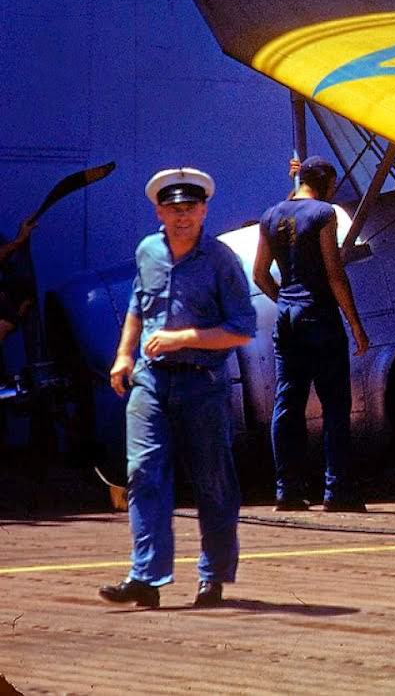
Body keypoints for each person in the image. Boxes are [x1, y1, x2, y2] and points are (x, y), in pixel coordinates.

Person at [99, 169, 255, 609]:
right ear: (158, 211)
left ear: (204, 211)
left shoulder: (222, 261)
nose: (181, 217)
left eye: (189, 209)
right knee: (144, 473)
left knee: (213, 481)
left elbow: (240, 330)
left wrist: (184, 337)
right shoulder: (148, 251)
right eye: (173, 209)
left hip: (202, 385)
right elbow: (137, 304)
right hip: (151, 381)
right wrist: (124, 355)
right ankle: (145, 578)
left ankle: (213, 577)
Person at [252, 155, 371, 513]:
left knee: (287, 404)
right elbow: (334, 273)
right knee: (335, 405)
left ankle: (287, 489)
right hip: (320, 317)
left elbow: (260, 274)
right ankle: (337, 490)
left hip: (287, 318)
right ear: (326, 183)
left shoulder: (269, 217)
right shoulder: (324, 214)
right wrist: (355, 324)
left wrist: (285, 299)